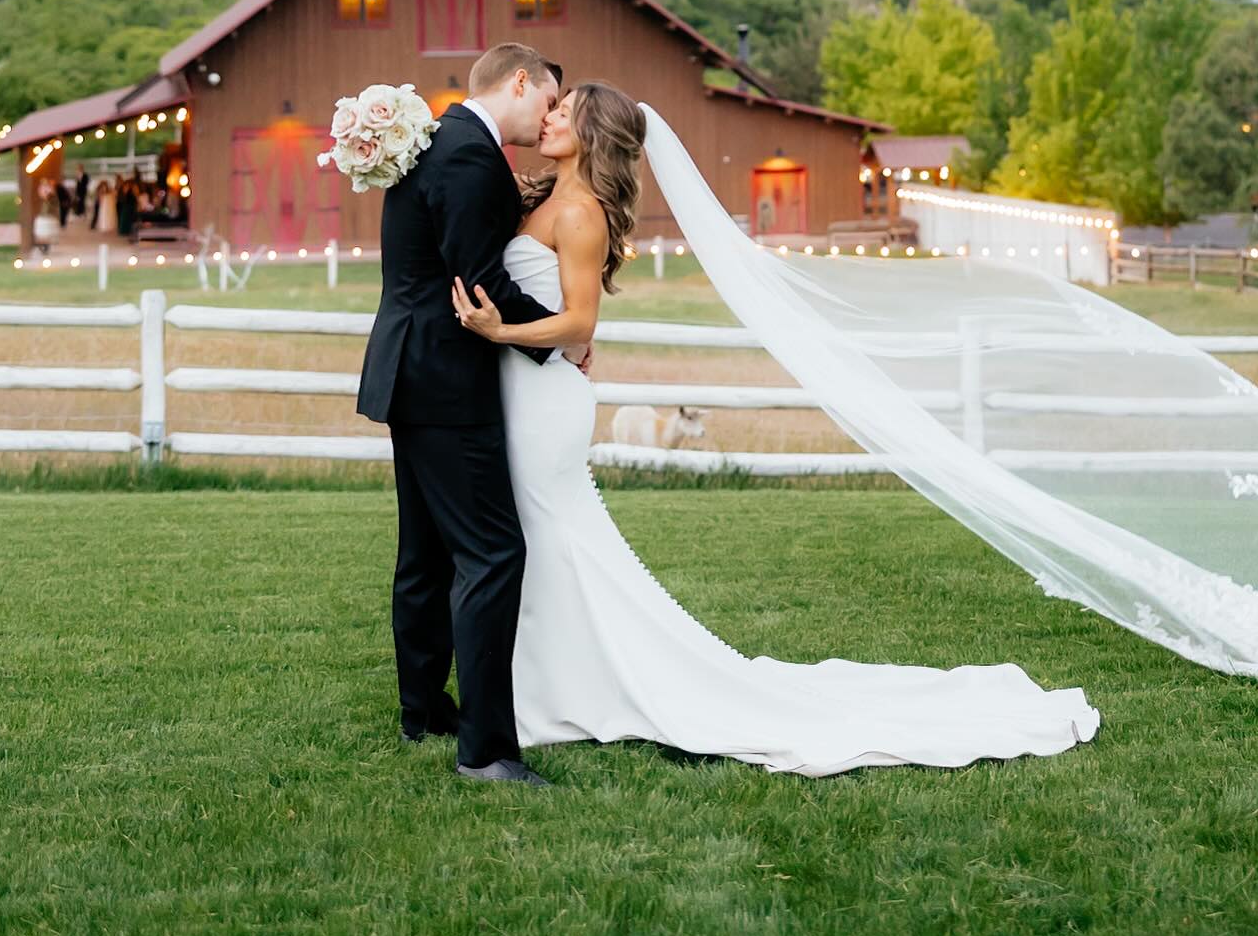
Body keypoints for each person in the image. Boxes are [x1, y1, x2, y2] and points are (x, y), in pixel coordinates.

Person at [450, 83, 1102, 777]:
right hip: (527, 393)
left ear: (592, 133)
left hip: (544, 403)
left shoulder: (581, 212)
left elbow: (581, 320)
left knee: (550, 540)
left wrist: (500, 330)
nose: (550, 114)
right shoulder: (546, 197)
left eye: (565, 108)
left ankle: (559, 692)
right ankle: (548, 687)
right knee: (544, 544)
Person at [357, 43, 589, 785]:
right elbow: (479, 284)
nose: (549, 117)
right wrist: (562, 340)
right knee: (493, 553)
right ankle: (486, 751)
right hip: (447, 381)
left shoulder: (439, 138)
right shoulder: (468, 155)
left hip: (412, 372)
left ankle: (424, 711)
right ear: (520, 81)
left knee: (426, 552)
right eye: (547, 100)